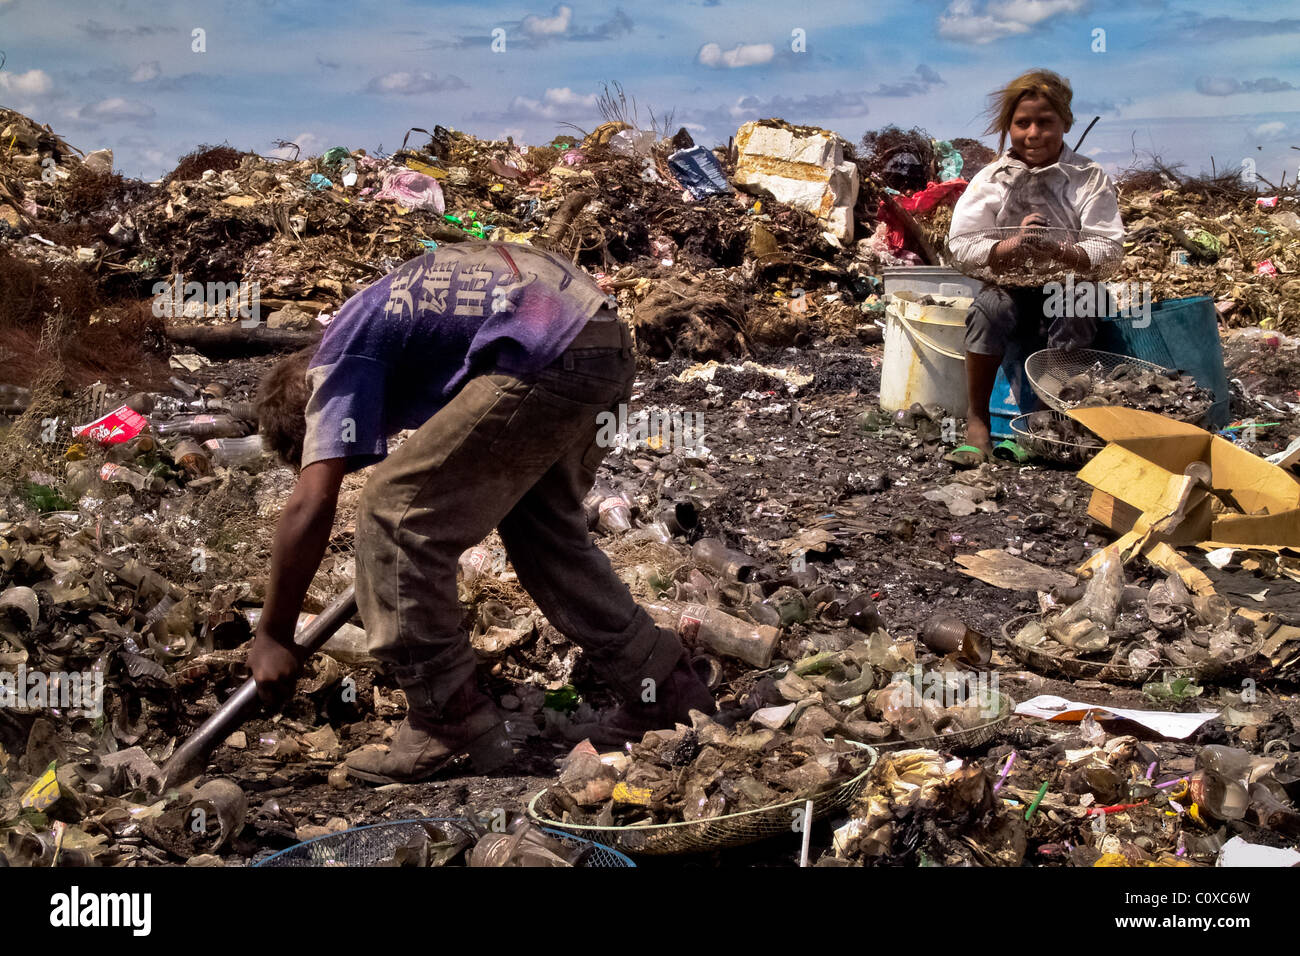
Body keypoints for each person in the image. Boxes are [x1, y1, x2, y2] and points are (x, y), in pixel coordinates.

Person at [248, 240, 714, 785]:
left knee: (392, 513)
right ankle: (663, 687)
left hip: (542, 348)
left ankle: (445, 716)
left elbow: (312, 500)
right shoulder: (394, 328)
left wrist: (275, 633)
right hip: (598, 338)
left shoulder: (337, 359)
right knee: (543, 532)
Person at [946, 69, 1125, 466]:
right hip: (1010, 287)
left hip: (1069, 286)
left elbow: (1108, 245)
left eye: (1045, 123)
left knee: (1077, 303)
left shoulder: (1088, 177)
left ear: (1065, 123)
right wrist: (1008, 246)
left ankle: (1052, 418)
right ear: (1009, 126)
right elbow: (961, 243)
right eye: (1021, 123)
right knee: (988, 310)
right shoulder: (992, 178)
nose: (1033, 133)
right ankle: (978, 421)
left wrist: (1063, 252)